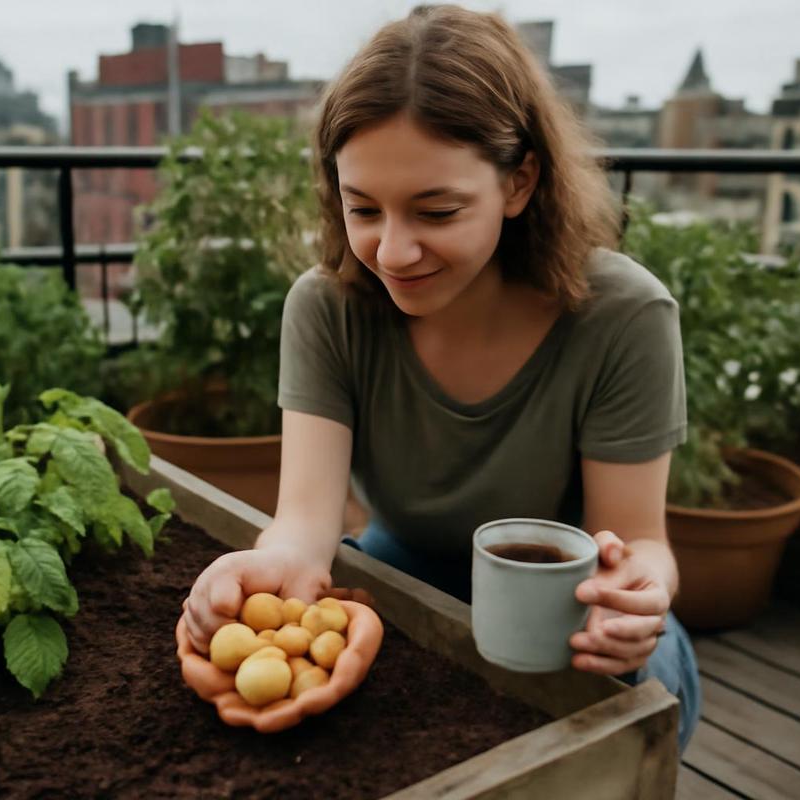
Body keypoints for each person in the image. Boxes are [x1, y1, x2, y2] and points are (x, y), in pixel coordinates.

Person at [182, 3, 700, 752]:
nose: (392, 252)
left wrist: (638, 593)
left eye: (438, 210)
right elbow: (303, 524)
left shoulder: (624, 315)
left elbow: (639, 541)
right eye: (363, 208)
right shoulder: (327, 308)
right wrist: (266, 564)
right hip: (407, 567)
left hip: (566, 606)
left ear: (519, 183)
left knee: (619, 722)